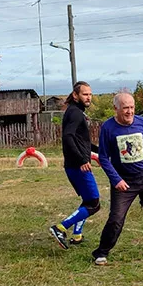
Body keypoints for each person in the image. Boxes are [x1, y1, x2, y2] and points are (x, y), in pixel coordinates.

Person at [91, 93, 143, 266]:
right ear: (116, 109)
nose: (129, 112)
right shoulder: (108, 127)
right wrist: (116, 180)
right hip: (123, 182)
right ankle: (102, 251)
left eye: (132, 107)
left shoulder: (142, 123)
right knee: (116, 218)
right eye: (125, 108)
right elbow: (104, 158)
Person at [49, 81, 101, 249]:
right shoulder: (76, 113)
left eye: (90, 94)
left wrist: (100, 152)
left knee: (88, 201)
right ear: (75, 95)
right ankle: (60, 228)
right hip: (77, 166)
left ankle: (77, 235)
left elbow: (82, 141)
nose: (88, 97)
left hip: (76, 165)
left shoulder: (75, 112)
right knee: (94, 203)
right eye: (85, 94)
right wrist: (82, 160)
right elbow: (68, 137)